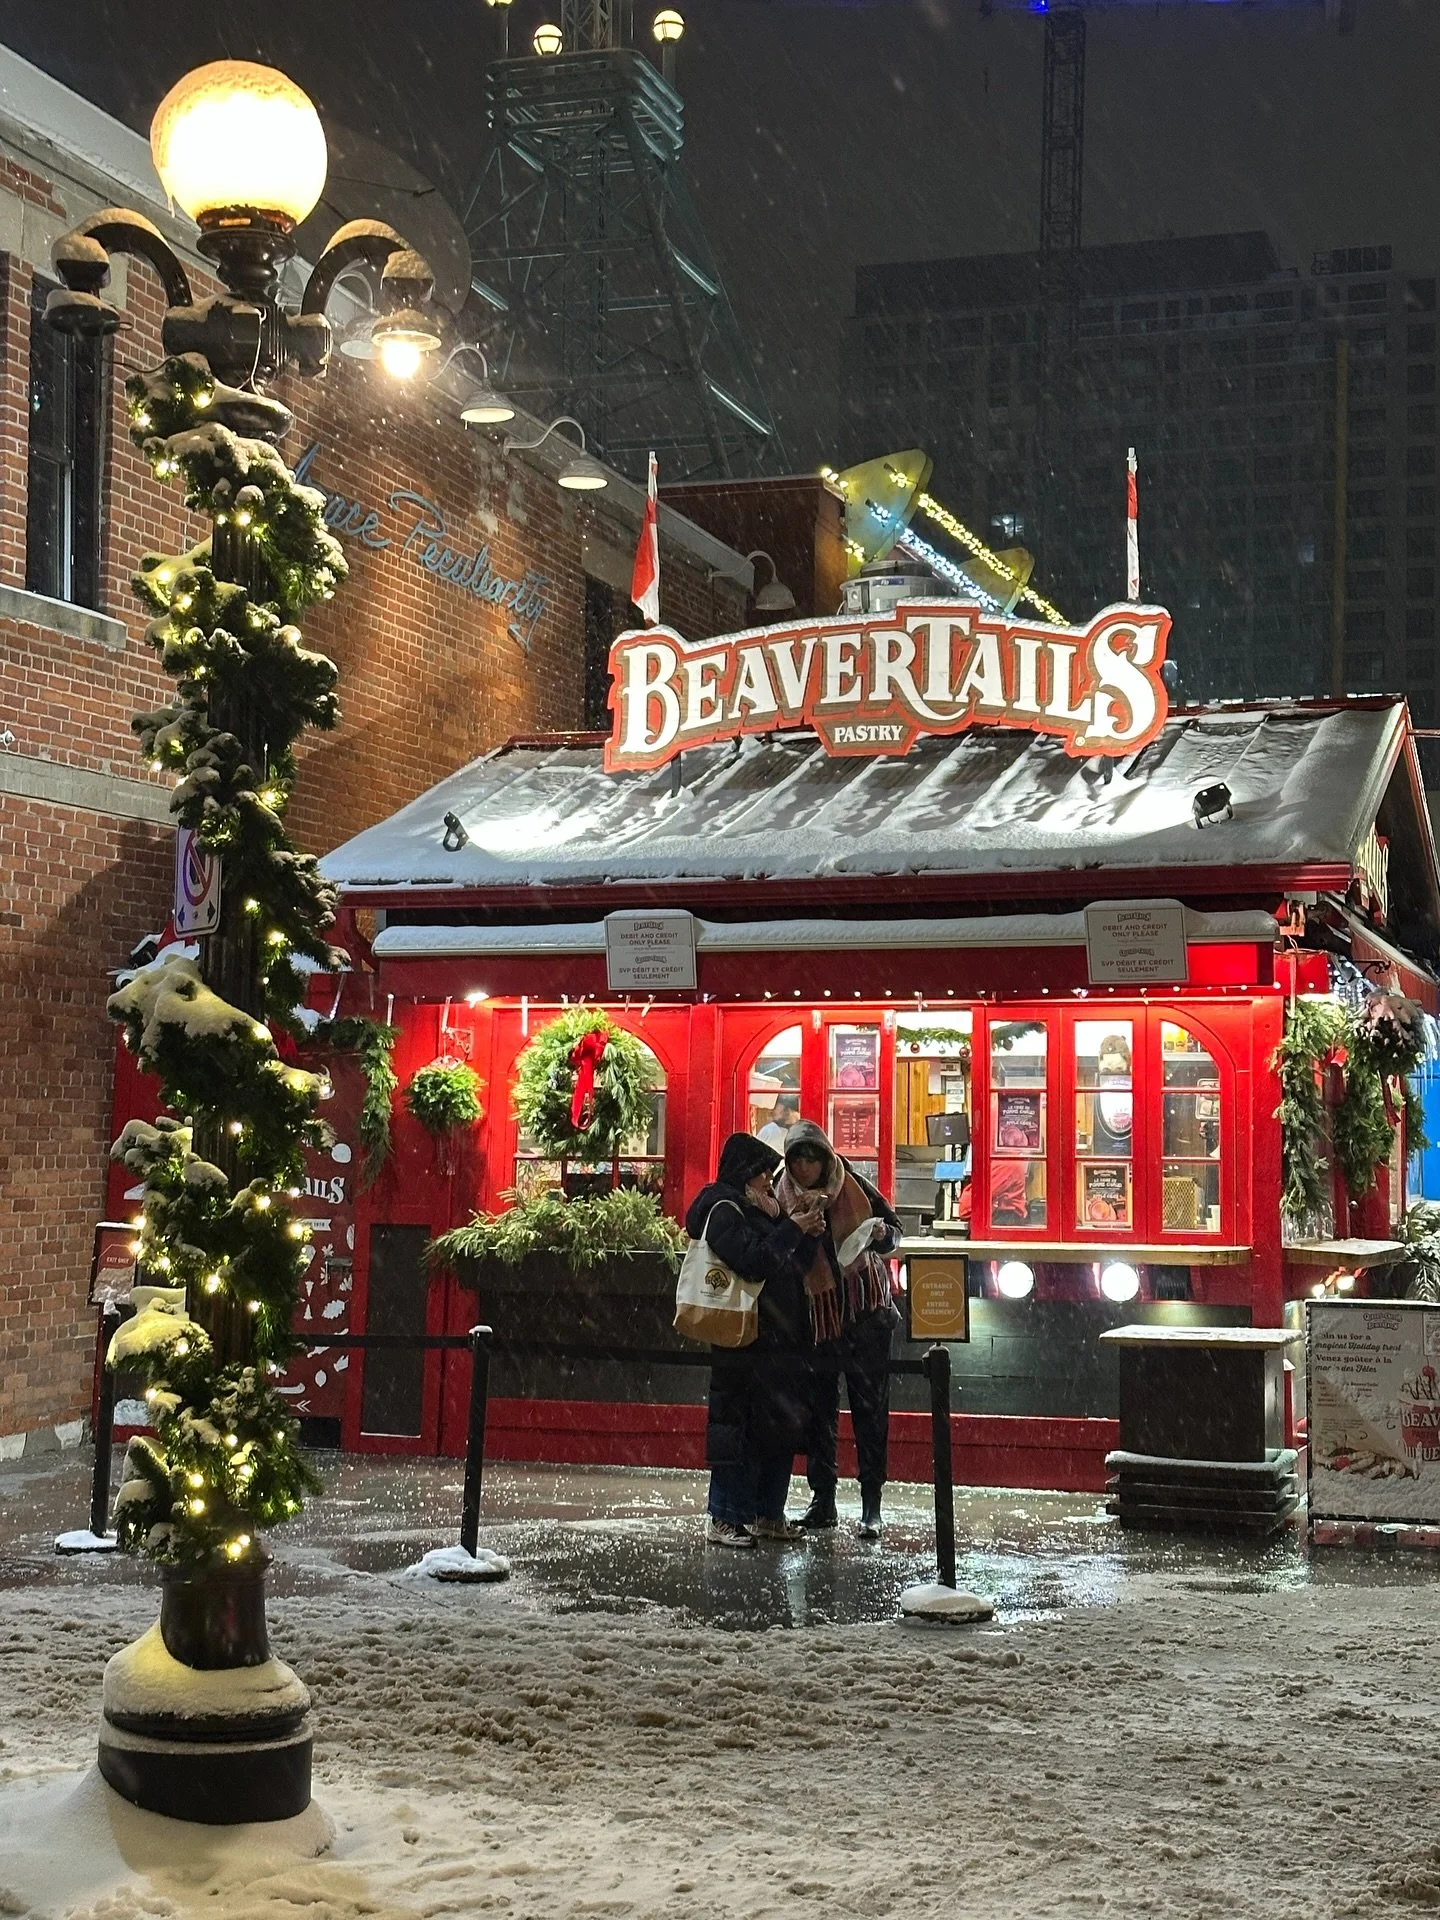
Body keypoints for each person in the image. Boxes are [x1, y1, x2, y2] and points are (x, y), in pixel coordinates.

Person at [685, 1132, 822, 1548]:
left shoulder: (766, 1209)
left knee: (776, 1430)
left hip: (777, 1341)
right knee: (737, 1429)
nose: (769, 1180)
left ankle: (768, 1513)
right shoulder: (724, 1208)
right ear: (744, 1172)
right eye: (763, 1172)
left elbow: (793, 1262)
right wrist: (790, 1229)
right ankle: (725, 1516)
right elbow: (754, 1261)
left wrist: (807, 1228)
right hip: (743, 1339)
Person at [777, 1120, 902, 1540]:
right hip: (817, 1319)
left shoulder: (854, 1184)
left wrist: (882, 1235)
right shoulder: (782, 1195)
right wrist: (803, 1233)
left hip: (865, 1316)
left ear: (826, 1158)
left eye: (812, 1157)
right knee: (818, 1414)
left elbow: (893, 1233)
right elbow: (778, 1255)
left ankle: (871, 1504)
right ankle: (823, 1500)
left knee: (870, 1411)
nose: (805, 1167)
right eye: (797, 1158)